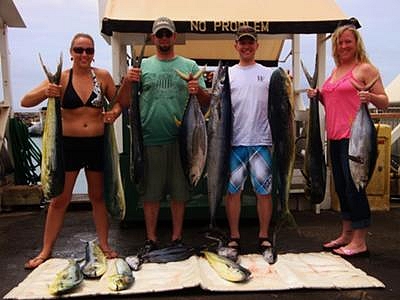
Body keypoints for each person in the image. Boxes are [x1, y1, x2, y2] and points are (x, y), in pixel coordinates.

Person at [22, 33, 122, 269]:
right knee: (59, 200)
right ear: (71, 52)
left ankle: (105, 245)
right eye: (79, 50)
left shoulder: (103, 76)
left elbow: (118, 102)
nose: (84, 55)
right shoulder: (61, 79)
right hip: (68, 146)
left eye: (88, 50)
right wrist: (46, 93)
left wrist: (114, 113)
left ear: (94, 53)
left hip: (98, 144)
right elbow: (26, 101)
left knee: (98, 197)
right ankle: (45, 250)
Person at [116, 17, 210, 250]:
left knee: (180, 192)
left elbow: (207, 103)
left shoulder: (190, 66)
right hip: (149, 139)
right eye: (160, 35)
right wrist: (128, 82)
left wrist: (197, 91)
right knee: (151, 193)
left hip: (184, 140)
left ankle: (177, 238)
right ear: (153, 37)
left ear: (174, 37)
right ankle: (151, 238)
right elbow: (125, 102)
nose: (164, 38)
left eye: (168, 34)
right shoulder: (143, 67)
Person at [307, 25, 389, 257]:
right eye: (340, 42)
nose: (343, 46)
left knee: (356, 188)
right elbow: (333, 104)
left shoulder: (365, 69)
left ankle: (360, 241)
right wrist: (318, 97)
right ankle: (346, 234)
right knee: (342, 189)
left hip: (357, 139)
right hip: (335, 138)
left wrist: (369, 96)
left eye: (348, 42)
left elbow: (383, 101)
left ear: (356, 43)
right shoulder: (335, 71)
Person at [224, 25, 274, 255]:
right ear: (236, 46)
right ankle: (234, 236)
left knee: (263, 191)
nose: (246, 46)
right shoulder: (228, 74)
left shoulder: (270, 73)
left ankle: (264, 235)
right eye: (242, 42)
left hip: (261, 141)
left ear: (257, 45)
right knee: (233, 192)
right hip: (234, 142)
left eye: (250, 42)